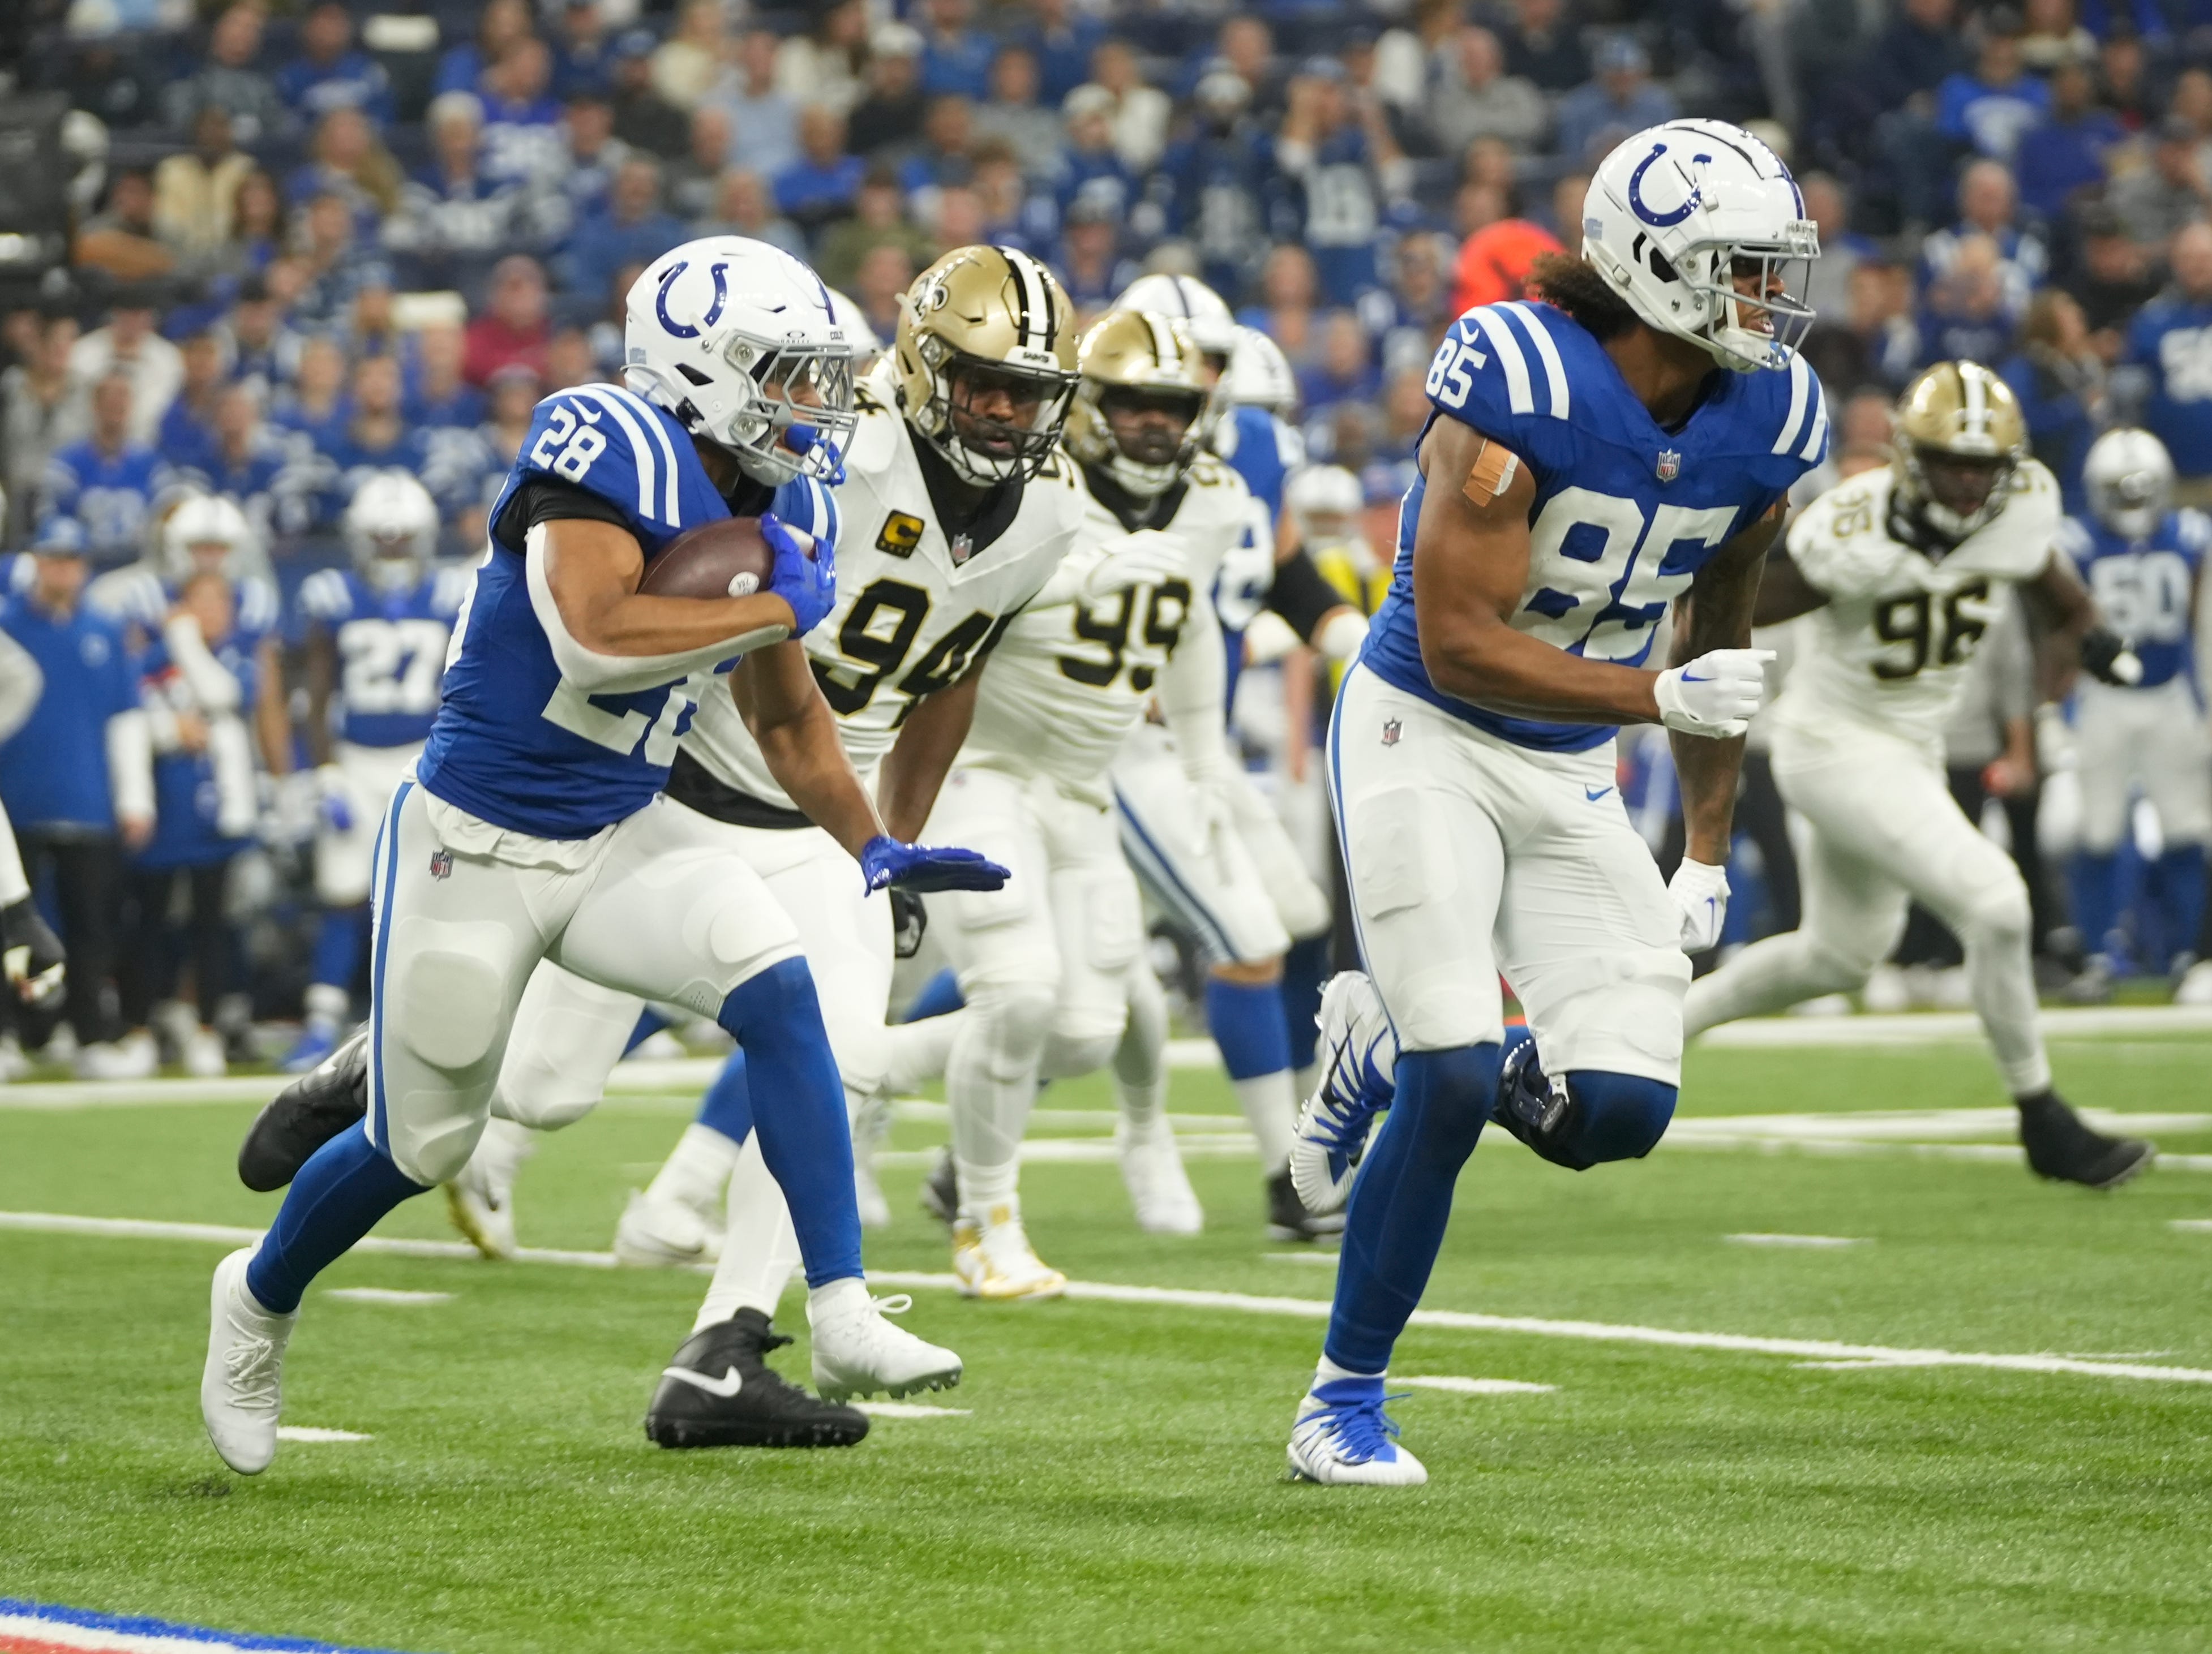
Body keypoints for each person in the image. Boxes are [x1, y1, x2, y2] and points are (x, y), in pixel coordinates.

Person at [204, 238, 986, 1477]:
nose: (817, 403)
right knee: (425, 1147)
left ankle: (837, 1305)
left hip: (622, 831)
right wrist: (773, 604)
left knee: (780, 986)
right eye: (789, 374)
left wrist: (875, 848)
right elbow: (594, 638)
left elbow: (789, 721)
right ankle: (256, 1299)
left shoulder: (780, 497)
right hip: (478, 843)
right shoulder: (604, 436)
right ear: (702, 368)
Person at [443, 246, 1084, 1452]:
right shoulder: (830, 440)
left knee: (835, 1067)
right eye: (986, 383)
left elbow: (951, 671)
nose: (1007, 412)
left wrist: (890, 843)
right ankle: (384, 1050)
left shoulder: (1050, 509)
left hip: (816, 821)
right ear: (924, 366)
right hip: (675, 794)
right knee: (540, 1089)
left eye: (1029, 392)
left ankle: (726, 1347)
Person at [1280, 121, 1829, 1487]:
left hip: (1574, 758)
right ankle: (1340, 1401)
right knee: (1453, 1064)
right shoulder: (1516, 373)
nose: (1769, 299)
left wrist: (1707, 845)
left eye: (1775, 270)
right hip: (1424, 726)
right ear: (1650, 264)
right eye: (1742, 268)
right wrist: (1655, 698)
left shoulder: (1770, 416)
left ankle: (1373, 1049)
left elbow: (1720, 619)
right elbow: (1461, 639)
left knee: (1624, 1109)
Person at [1683, 364, 2151, 1189]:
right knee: (1997, 902)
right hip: (1834, 744)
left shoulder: (2016, 513)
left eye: (1983, 466)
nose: (1969, 483)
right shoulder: (1850, 527)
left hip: (1911, 750)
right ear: (1909, 455)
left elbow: (2060, 598)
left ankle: (1653, 1028)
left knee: (1837, 957)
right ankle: (2042, 1115)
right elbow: (1727, 605)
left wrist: (2088, 644)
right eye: (1951, 462)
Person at [894, 308, 1233, 1277]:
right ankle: (986, 1221)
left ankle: (861, 1072)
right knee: (1019, 990)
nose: (1158, 424)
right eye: (1135, 403)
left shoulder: (1208, 505)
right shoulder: (1032, 481)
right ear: (1088, 409)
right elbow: (954, 595)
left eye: (1175, 407)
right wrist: (1083, 571)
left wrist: (1206, 764)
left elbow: (1190, 627)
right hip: (983, 768)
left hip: (1082, 790)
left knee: (1084, 1031)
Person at [1107, 277, 1356, 1235]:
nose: (1191, 380)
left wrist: (1343, 628)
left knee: (1297, 920)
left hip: (1201, 736)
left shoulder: (1249, 442)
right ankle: (1292, 1176)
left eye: (1207, 360)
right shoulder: (1100, 455)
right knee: (1223, 947)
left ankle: (1308, 1136)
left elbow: (1284, 566)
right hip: (1120, 738)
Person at [281, 474, 470, 1073]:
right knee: (343, 894)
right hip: (356, 760)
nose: (392, 548)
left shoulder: (452, 593)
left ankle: (426, 1019)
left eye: (402, 538)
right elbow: (316, 692)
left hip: (426, 757)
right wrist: (325, 771)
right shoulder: (333, 596)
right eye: (382, 538)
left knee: (434, 893)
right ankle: (322, 1022)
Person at [0, 519, 154, 1079]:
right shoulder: (7, 624)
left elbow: (124, 718)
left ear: (84, 566)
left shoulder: (104, 630)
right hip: (16, 799)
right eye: (52, 558)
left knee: (91, 930)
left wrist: (134, 798)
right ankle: (10, 1034)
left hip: (86, 800)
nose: (62, 569)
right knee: (11, 926)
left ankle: (91, 1034)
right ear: (36, 562)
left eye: (70, 559)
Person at [2058, 429, 2210, 994]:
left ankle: (2187, 954)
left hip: (2170, 694)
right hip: (2101, 699)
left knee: (2185, 829)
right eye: (2118, 492)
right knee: (2097, 832)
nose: (2131, 503)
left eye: (2139, 491)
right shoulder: (2073, 542)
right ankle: (2099, 955)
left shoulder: (2191, 536)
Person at [40, 373, 177, 572]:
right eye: (109, 399)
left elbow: (167, 520)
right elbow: (54, 526)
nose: (116, 404)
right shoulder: (68, 463)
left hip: (138, 569)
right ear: (95, 405)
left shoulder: (151, 463)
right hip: (85, 571)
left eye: (122, 398)